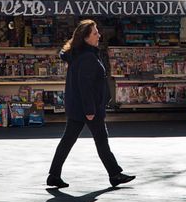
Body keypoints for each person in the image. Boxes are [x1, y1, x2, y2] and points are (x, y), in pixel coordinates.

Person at [47, 20, 134, 189]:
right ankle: (114, 174)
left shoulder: (81, 54)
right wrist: (90, 109)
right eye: (95, 33)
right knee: (100, 141)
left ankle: (54, 175)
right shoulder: (87, 57)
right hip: (88, 108)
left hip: (79, 107)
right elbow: (85, 85)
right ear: (86, 38)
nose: (99, 35)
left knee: (69, 141)